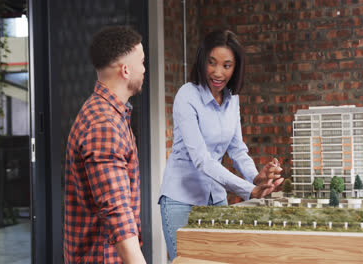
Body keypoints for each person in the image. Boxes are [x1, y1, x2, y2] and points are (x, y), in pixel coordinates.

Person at [159, 29, 284, 261]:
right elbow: (202, 160)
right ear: (202, 61)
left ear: (235, 68)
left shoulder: (232, 99)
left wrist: (257, 177)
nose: (218, 72)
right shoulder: (187, 96)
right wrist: (250, 191)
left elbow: (237, 149)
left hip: (216, 199)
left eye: (226, 65)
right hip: (181, 200)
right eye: (212, 63)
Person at [64, 25, 146, 264]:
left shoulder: (105, 113)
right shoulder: (104, 124)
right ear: (126, 70)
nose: (144, 68)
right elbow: (118, 213)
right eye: (142, 61)